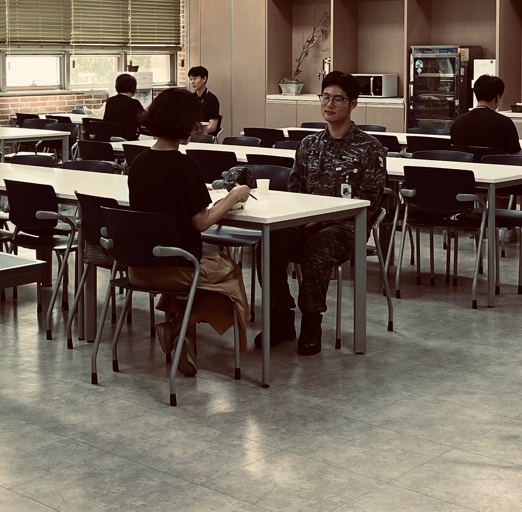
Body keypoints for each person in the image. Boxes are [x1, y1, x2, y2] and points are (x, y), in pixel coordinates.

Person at [127, 88, 252, 376]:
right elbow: (201, 223)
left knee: (197, 274)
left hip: (137, 266)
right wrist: (233, 196)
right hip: (174, 268)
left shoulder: (139, 162)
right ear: (185, 123)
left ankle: (180, 334)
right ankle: (178, 327)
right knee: (230, 272)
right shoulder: (184, 166)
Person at [263, 71, 387, 356]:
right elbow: (295, 188)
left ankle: (311, 323)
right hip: (305, 221)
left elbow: (368, 202)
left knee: (319, 248)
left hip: (347, 227)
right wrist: (305, 219)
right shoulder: (309, 144)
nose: (329, 104)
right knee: (270, 242)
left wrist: (321, 221)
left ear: (353, 104)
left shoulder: (370, 149)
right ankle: (280, 317)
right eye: (325, 97)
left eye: (338, 99)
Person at [449, 74, 521, 154]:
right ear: (497, 97)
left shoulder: (457, 123)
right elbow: (517, 156)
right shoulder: (505, 123)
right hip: (495, 162)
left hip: (465, 163)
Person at [101, 73, 146, 141]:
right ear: (133, 88)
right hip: (129, 140)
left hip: (112, 139)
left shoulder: (110, 101)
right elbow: (145, 120)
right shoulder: (134, 103)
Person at [187, 66, 221, 136]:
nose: (192, 82)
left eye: (195, 79)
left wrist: (196, 133)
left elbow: (212, 127)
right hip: (191, 134)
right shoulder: (190, 98)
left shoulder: (212, 99)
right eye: (190, 79)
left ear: (204, 79)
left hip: (206, 136)